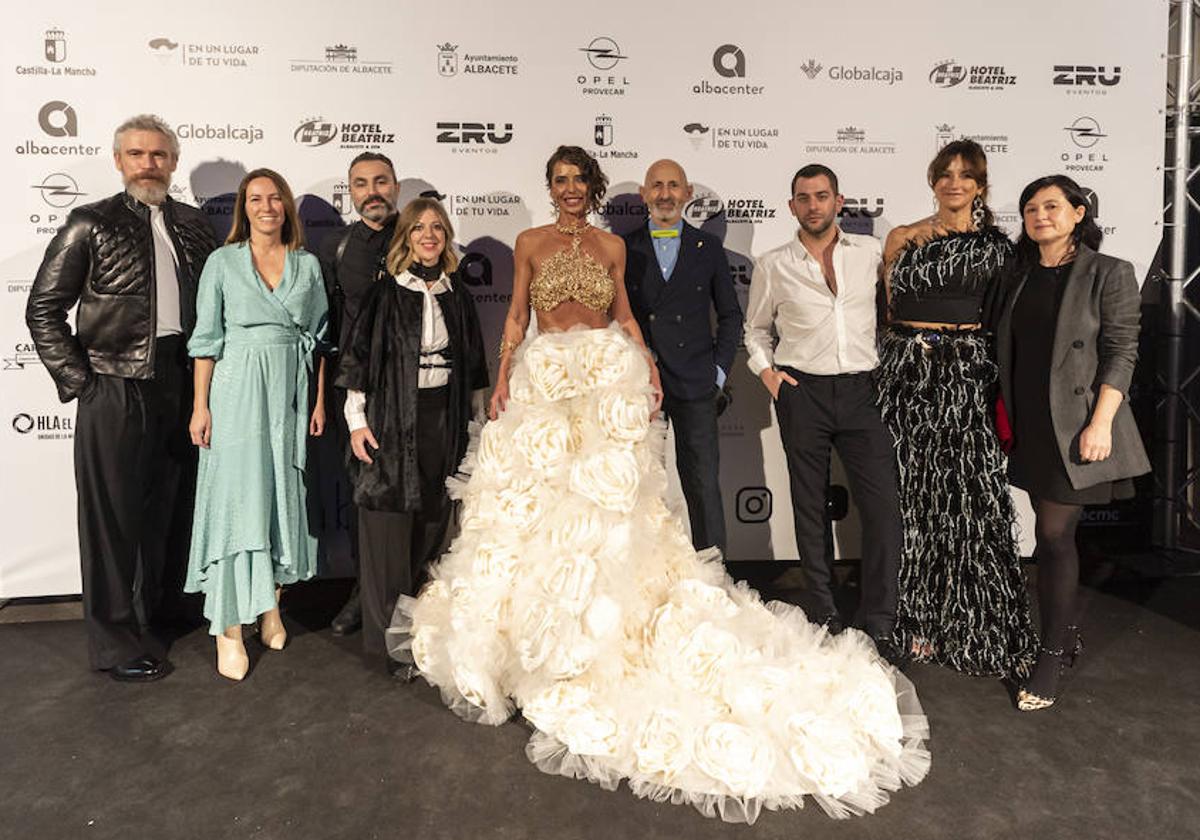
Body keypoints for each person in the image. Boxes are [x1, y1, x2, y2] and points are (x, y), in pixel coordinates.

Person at [389, 146, 929, 823]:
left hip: (606, 379)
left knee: (611, 509)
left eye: (578, 181)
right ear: (550, 187)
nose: (568, 191)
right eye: (558, 181)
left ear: (590, 187)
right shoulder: (527, 242)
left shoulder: (615, 248)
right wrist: (502, 379)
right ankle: (527, 640)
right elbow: (518, 316)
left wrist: (643, 363)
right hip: (545, 380)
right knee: (535, 508)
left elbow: (625, 314)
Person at [26, 114, 217, 681]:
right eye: (136, 154)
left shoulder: (193, 225)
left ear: (173, 163)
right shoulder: (91, 222)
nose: (147, 164)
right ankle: (113, 642)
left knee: (172, 506)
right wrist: (82, 382)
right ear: (118, 161)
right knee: (111, 520)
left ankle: (162, 614)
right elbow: (43, 308)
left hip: (181, 380)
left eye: (158, 155)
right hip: (112, 383)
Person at [877, 139, 1037, 679]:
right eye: (945, 173)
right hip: (908, 377)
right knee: (916, 500)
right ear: (932, 180)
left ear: (980, 185)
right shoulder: (902, 238)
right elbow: (888, 309)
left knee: (968, 500)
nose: (954, 182)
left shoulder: (998, 248)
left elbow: (1006, 324)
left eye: (965, 175)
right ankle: (917, 618)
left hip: (968, 379)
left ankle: (971, 619)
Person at [993, 174, 1150, 710]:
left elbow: (1122, 350)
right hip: (1031, 424)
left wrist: (1101, 422)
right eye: (1031, 208)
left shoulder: (1109, 272)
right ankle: (1060, 636)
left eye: (1053, 206)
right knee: (1046, 529)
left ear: (1079, 213)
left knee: (1055, 535)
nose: (1041, 215)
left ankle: (1053, 652)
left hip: (1079, 425)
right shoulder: (1018, 275)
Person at [744, 164, 903, 665]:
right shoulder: (773, 264)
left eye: (822, 195)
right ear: (791, 206)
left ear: (839, 201)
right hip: (803, 392)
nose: (813, 205)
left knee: (882, 509)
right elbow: (755, 330)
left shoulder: (871, 255)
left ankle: (880, 618)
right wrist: (770, 377)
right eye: (803, 197)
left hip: (862, 390)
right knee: (809, 507)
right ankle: (824, 612)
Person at [186, 168, 329, 681]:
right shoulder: (222, 263)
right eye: (255, 199)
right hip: (238, 388)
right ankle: (228, 628)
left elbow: (318, 339)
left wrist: (317, 402)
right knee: (237, 499)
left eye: (275, 198)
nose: (266, 206)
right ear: (243, 209)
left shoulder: (308, 265)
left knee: (277, 499)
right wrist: (201, 407)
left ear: (286, 206)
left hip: (289, 391)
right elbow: (206, 340)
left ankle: (270, 605)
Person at [336, 198, 489, 674]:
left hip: (442, 416)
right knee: (386, 527)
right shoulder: (384, 294)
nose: (428, 235)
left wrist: (478, 425)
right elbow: (356, 362)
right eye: (419, 228)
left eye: (437, 228)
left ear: (445, 238)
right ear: (406, 237)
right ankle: (387, 647)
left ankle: (423, 638)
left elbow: (475, 366)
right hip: (389, 417)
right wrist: (357, 421)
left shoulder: (455, 293)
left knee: (433, 523)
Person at [623, 159, 741, 553]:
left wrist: (718, 375)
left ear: (688, 194)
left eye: (674, 185)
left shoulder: (708, 249)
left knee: (704, 485)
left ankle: (714, 579)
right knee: (643, 486)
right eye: (656, 185)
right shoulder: (623, 247)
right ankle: (650, 578)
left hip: (696, 383)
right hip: (643, 386)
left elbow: (730, 315)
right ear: (644, 194)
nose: (665, 194)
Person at [317, 152, 401, 637]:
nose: (373, 191)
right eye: (361, 183)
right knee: (360, 495)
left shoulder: (422, 236)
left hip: (416, 391)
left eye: (381, 181)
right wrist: (324, 398)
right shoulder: (337, 248)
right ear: (350, 192)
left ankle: (411, 592)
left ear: (395, 185)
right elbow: (325, 329)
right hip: (357, 395)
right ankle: (362, 594)